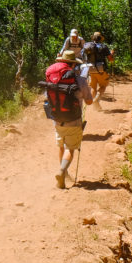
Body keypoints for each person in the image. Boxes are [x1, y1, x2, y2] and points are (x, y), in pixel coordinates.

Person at [43, 49, 93, 189]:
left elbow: (47, 97)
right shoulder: (80, 80)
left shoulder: (52, 79)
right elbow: (89, 101)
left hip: (57, 119)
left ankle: (63, 176)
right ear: (73, 65)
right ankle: (62, 171)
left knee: (61, 146)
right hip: (74, 120)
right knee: (70, 149)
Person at [82, 32, 114, 110]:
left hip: (91, 69)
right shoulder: (103, 47)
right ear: (100, 38)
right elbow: (110, 59)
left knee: (93, 87)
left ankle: (96, 106)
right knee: (103, 86)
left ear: (93, 38)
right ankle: (95, 100)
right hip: (101, 70)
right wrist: (112, 54)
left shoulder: (88, 46)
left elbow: (83, 56)